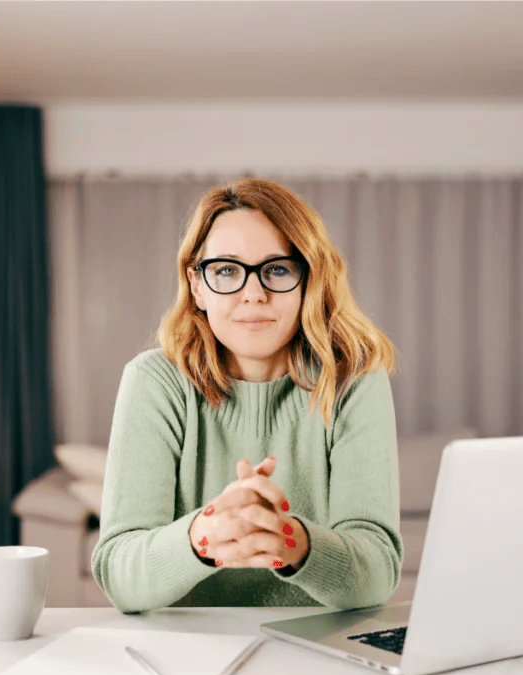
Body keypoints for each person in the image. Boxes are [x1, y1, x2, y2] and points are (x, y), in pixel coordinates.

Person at [91, 178, 402, 613]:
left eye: (277, 268)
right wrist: (208, 533)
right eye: (226, 270)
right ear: (197, 285)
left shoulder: (354, 380)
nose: (253, 293)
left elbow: (377, 572)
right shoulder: (153, 381)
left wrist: (288, 541)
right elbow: (119, 575)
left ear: (307, 281)